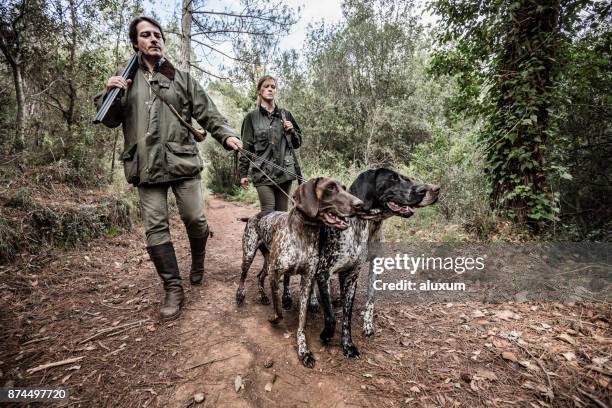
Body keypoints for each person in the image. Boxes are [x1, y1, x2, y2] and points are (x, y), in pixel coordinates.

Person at [95, 16, 242, 321]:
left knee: (196, 219)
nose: (154, 39)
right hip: (145, 165)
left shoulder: (182, 79)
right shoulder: (126, 80)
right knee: (155, 227)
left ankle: (198, 258)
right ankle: (173, 287)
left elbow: (209, 113)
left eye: (158, 35)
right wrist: (109, 91)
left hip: (183, 161)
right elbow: (108, 120)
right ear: (136, 43)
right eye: (146, 35)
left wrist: (227, 135)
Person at [238, 75, 303, 211]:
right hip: (262, 174)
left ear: (276, 91)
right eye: (266, 86)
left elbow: (297, 143)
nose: (270, 89)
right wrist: (243, 174)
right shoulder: (251, 118)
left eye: (273, 87)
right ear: (260, 91)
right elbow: (246, 147)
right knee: (268, 214)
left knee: (281, 216)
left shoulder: (286, 115)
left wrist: (292, 132)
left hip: (284, 173)